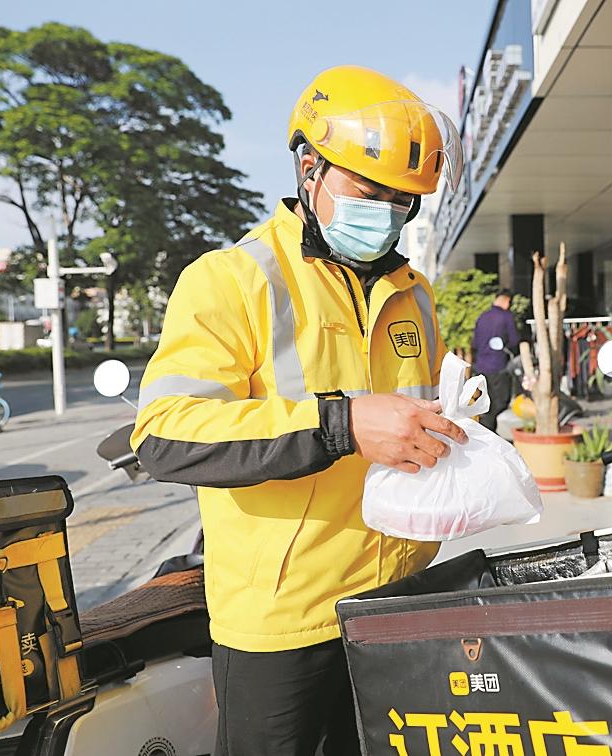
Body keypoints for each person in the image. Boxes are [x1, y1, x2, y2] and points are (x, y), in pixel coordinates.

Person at [131, 65, 467, 756]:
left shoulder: (415, 294)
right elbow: (165, 436)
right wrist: (341, 425)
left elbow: (413, 420)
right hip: (282, 623)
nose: (388, 213)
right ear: (309, 168)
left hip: (400, 602)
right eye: (369, 191)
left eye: (404, 200)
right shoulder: (232, 279)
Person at [471, 288, 520, 433]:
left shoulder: (482, 317)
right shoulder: (506, 317)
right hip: (498, 366)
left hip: (481, 366)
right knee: (500, 401)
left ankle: (486, 432)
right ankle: (490, 432)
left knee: (486, 403)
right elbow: (514, 340)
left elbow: (475, 343)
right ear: (507, 301)